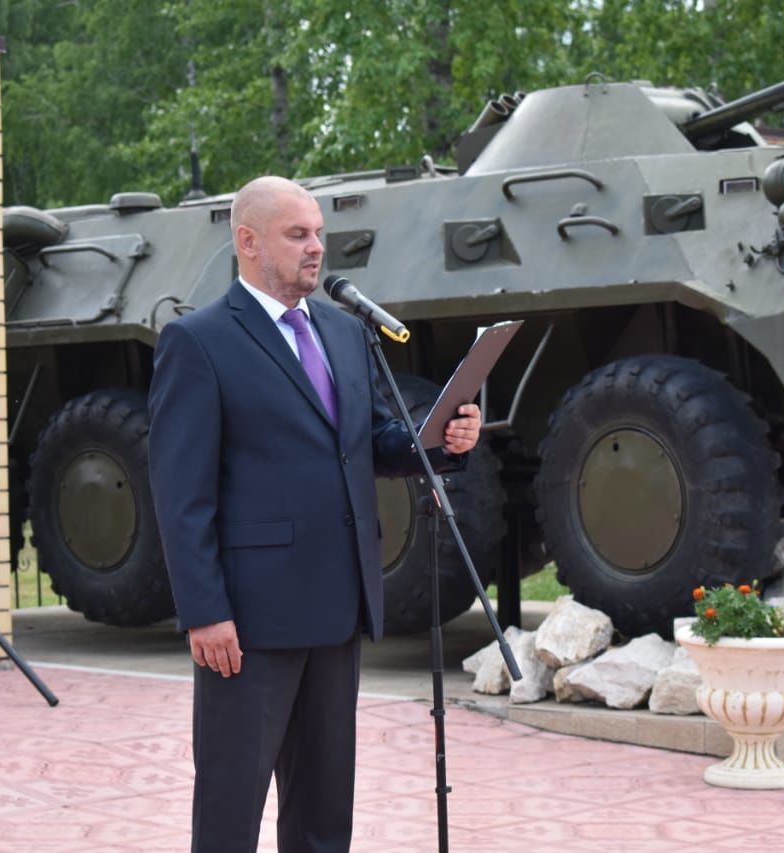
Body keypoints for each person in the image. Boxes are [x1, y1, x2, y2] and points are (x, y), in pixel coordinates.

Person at [148, 175, 481, 853]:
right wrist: (205, 609)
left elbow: (369, 443)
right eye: (297, 234)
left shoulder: (341, 330)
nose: (316, 248)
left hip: (337, 605)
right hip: (249, 622)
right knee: (230, 808)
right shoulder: (200, 341)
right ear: (247, 242)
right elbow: (181, 494)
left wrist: (439, 441)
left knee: (325, 814)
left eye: (320, 233)